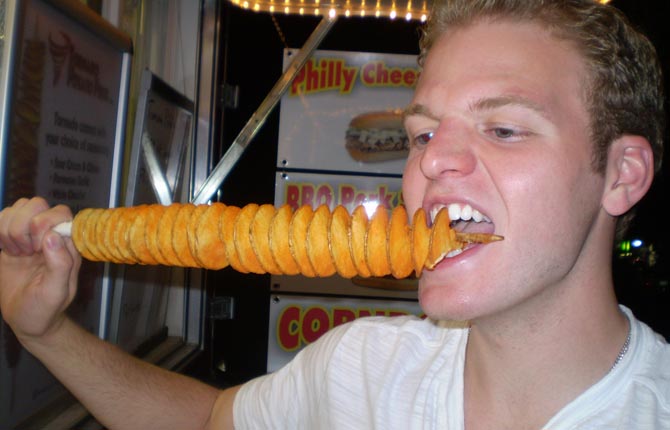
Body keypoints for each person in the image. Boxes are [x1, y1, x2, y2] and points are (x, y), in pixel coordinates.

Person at [0, 0, 668, 428]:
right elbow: (206, 421)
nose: (432, 163)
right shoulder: (367, 366)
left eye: (504, 129)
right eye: (424, 134)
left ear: (622, 174)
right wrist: (45, 333)